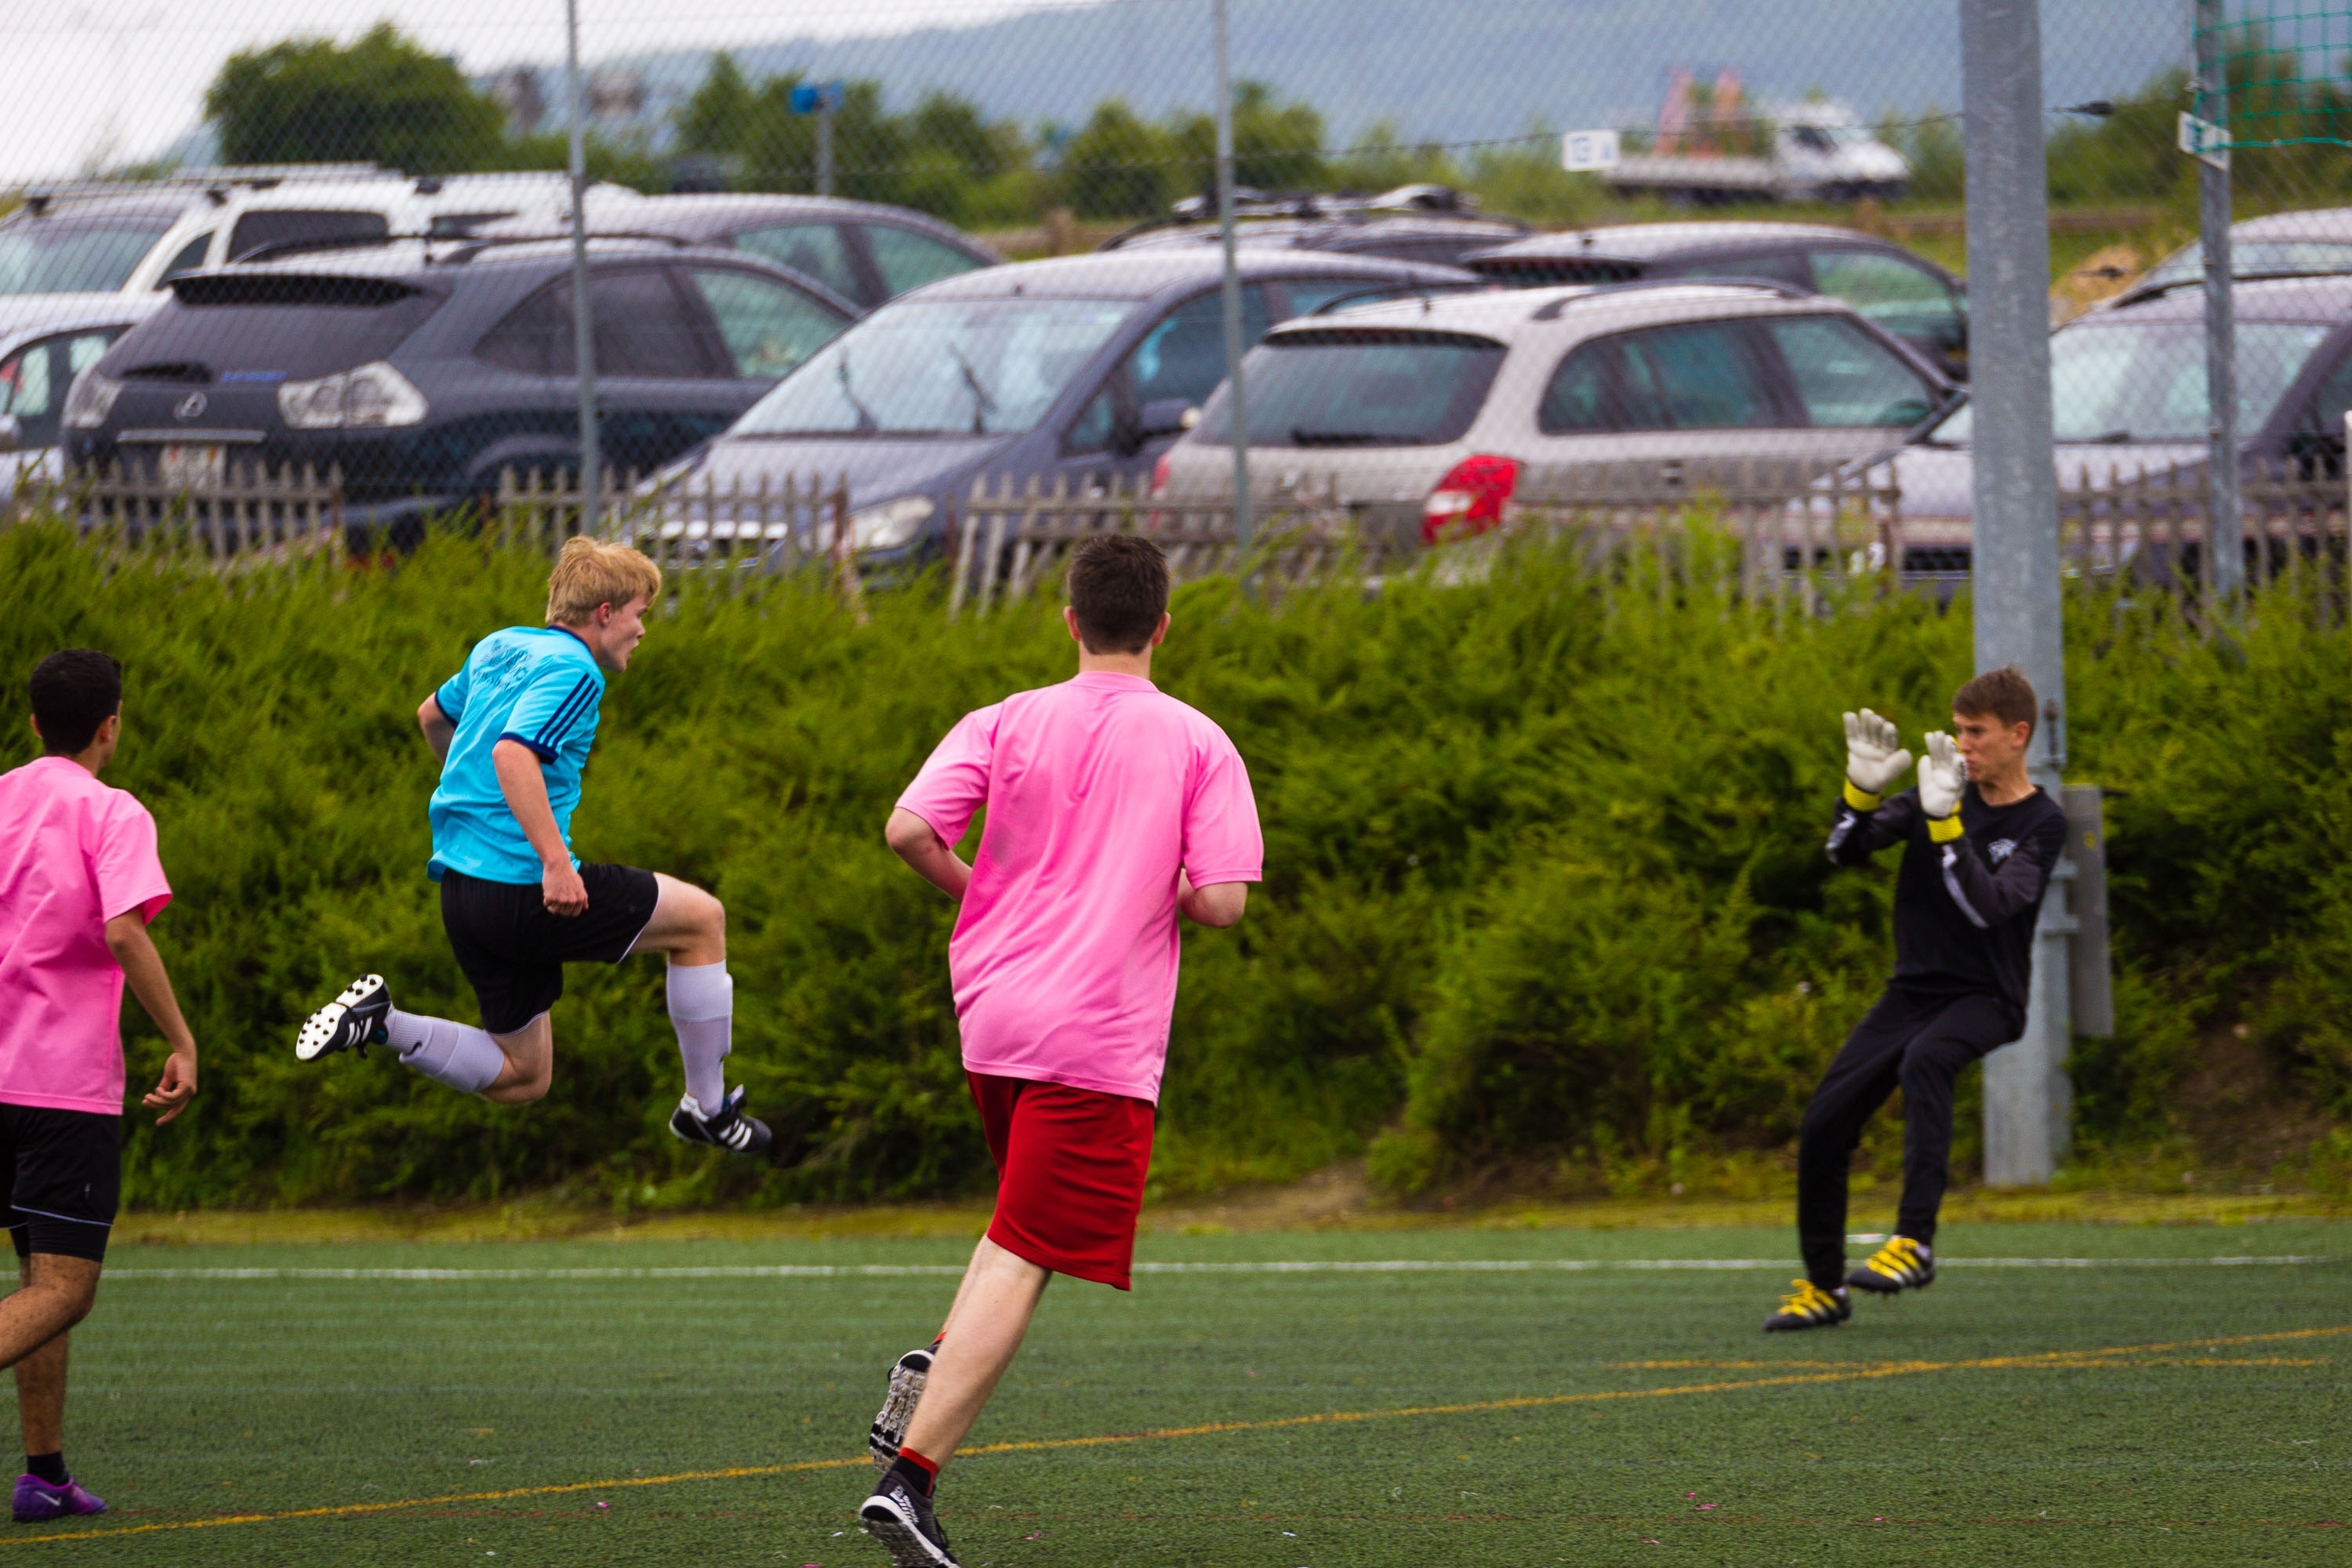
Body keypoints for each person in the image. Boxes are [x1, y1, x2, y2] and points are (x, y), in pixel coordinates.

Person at [858, 535, 1262, 1567]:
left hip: (995, 1013)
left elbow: (908, 830)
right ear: (1162, 626)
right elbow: (1222, 902)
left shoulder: (1005, 718)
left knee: (1019, 1223)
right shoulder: (1198, 739)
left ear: (1070, 619)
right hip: (1097, 1029)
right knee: (1031, 1248)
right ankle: (911, 1479)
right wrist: (1160, 888)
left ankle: (939, 1355)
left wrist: (986, 894)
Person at [293, 537, 768, 1155]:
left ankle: (383, 1023)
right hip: (524, 888)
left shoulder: (501, 646)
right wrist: (554, 862)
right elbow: (513, 754)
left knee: (522, 1077)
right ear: (604, 613)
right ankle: (707, 1107)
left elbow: (432, 715)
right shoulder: (577, 671)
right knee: (703, 921)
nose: (642, 630)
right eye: (639, 613)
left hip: (463, 895)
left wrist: (481, 806)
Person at [1765, 665, 2069, 1332]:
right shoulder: (1936, 791)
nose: (1963, 745)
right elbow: (1845, 852)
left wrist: (1945, 826)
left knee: (1927, 1060)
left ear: (2018, 735)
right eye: (1958, 730)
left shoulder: (2043, 823)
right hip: (1912, 992)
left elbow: (1989, 909)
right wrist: (1861, 792)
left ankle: (1915, 1243)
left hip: (1987, 997)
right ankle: (1824, 1287)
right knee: (1824, 1124)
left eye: (1977, 732)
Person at [0, 649, 199, 1522]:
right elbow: (123, 930)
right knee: (66, 1289)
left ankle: (44, 1473)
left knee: (35, 1277)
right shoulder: (113, 810)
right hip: (59, 1087)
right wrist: (181, 1040)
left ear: (34, 722)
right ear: (110, 726)